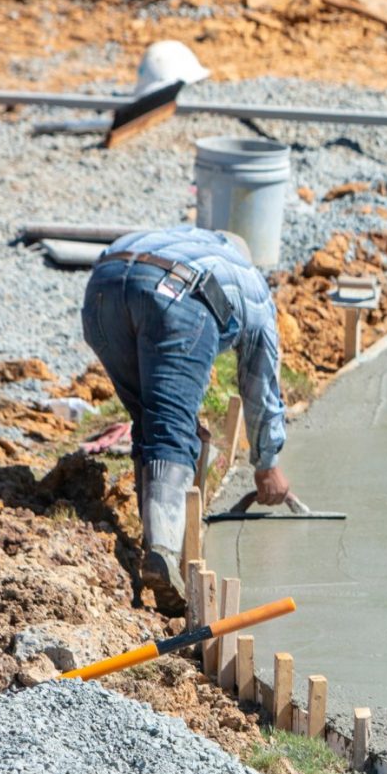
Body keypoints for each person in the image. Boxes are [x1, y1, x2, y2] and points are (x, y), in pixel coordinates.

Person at [82, 226, 290, 614]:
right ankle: (162, 551)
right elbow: (260, 383)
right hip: (177, 293)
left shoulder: (188, 240)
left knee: (150, 416)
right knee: (170, 430)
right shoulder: (250, 281)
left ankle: (155, 540)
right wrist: (268, 463)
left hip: (103, 287)